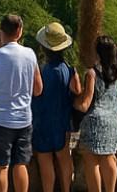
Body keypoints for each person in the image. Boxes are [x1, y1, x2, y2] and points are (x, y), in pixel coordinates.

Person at [0, 13, 44, 192]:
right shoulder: (30, 54)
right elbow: (38, 89)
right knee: (21, 164)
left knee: (0, 166)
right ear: (20, 31)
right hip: (24, 119)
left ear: (1, 31)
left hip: (0, 120)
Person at [75, 36, 117, 192]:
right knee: (109, 158)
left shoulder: (92, 73)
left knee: (91, 161)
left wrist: (73, 100)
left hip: (95, 121)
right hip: (113, 121)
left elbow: (85, 104)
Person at [32, 23, 82, 192]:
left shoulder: (40, 70)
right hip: (62, 120)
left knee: (45, 159)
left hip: (42, 120)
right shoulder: (68, 69)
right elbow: (78, 91)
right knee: (64, 157)